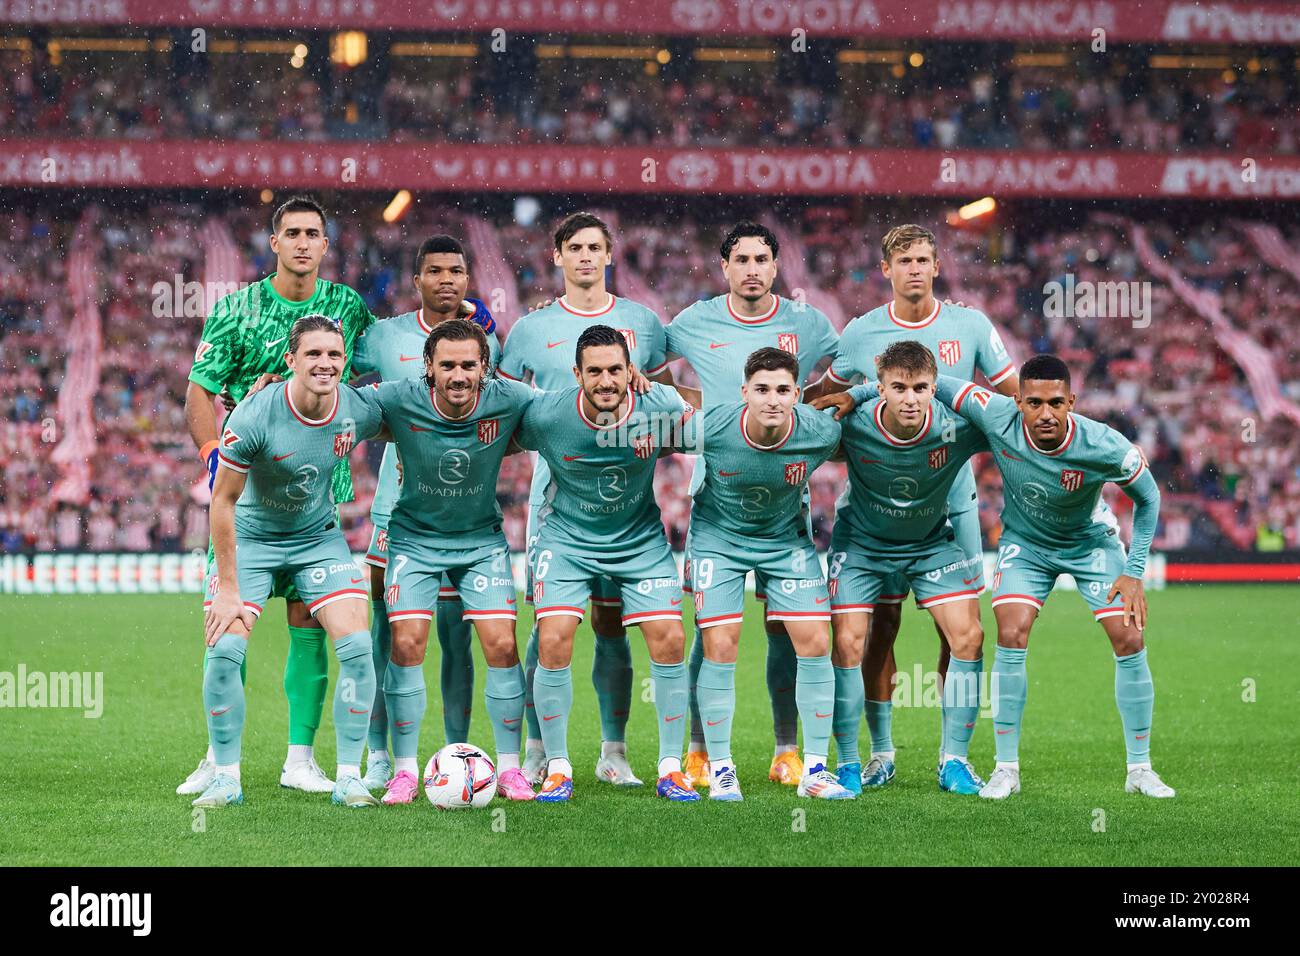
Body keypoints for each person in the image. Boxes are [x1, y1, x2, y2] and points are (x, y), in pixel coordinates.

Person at [180, 196, 377, 796]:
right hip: (247, 487)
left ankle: (301, 760)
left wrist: (461, 317)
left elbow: (386, 366)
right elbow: (200, 390)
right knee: (226, 628)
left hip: (317, 492)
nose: (301, 242)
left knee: (310, 624)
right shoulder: (238, 309)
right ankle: (220, 762)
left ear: (325, 244)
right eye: (290, 232)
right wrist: (216, 454)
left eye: (312, 234)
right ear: (274, 242)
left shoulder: (347, 306)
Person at [660, 220, 841, 790]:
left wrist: (801, 413)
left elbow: (840, 377)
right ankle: (699, 751)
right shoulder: (693, 321)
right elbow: (650, 368)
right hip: (719, 495)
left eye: (763, 259)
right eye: (742, 260)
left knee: (788, 629)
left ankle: (790, 752)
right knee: (712, 635)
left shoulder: (807, 322)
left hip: (785, 505)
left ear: (776, 265)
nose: (753, 269)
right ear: (725, 267)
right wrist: (700, 407)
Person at [499, 213, 670, 788]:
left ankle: (613, 750)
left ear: (609, 254)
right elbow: (502, 406)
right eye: (575, 248)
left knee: (613, 623)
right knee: (550, 626)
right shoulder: (528, 330)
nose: (586, 258)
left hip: (624, 501)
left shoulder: (642, 322)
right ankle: (537, 748)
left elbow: (662, 398)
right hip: (555, 498)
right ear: (558, 256)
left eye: (596, 248)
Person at [514, 325, 698, 803]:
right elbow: (495, 427)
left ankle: (670, 769)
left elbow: (706, 434)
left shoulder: (656, 408)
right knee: (553, 634)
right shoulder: (549, 415)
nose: (606, 380)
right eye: (594, 371)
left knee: (671, 637)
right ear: (576, 374)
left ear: (629, 370)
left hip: (638, 539)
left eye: (616, 369)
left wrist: (658, 388)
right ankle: (556, 767)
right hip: (567, 538)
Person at [349, 235, 501, 791]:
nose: (445, 280)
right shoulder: (384, 338)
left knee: (458, 633)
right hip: (396, 510)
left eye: (455, 271)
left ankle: (455, 750)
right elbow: (339, 375)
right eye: (434, 270)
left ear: (467, 278)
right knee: (387, 632)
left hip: (462, 514)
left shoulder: (485, 342)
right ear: (417, 280)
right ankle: (380, 755)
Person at [368, 318, 536, 803]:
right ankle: (403, 771)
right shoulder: (398, 397)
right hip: (414, 540)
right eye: (448, 365)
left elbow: (564, 408)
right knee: (407, 642)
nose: (458, 375)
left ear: (486, 367)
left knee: (502, 644)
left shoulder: (511, 398)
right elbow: (338, 404)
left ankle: (509, 769)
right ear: (428, 367)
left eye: (468, 365)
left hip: (480, 541)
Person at [686, 347, 851, 801]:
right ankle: (720, 768)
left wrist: (861, 393)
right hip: (719, 537)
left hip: (785, 541)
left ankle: (815, 770)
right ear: (745, 393)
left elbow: (877, 421)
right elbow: (646, 431)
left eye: (782, 390)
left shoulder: (817, 430)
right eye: (761, 390)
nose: (772, 400)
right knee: (720, 642)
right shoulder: (712, 426)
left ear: (798, 394)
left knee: (817, 640)